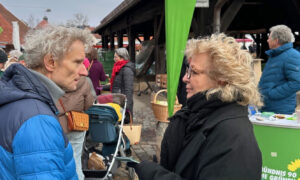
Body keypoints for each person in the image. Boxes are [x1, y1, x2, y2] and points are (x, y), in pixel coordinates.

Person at [128, 33, 263, 180]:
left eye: (194, 72)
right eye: (187, 70)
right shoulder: (198, 114)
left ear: (222, 80)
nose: (185, 78)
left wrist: (154, 175)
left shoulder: (234, 137)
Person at [0, 25, 94, 179]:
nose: (84, 71)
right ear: (51, 62)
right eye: (77, 62)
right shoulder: (37, 120)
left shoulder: (18, 99)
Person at [57, 76, 96, 180]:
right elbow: (89, 104)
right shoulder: (84, 81)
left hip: (57, 124)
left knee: (58, 159)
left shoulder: (53, 78)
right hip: (77, 123)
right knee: (76, 159)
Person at [259, 25, 300, 114]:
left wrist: (272, 94)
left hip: (281, 109)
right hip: (268, 106)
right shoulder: (275, 55)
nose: (267, 40)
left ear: (276, 40)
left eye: (269, 38)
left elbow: (297, 82)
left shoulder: (292, 56)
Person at [111, 47, 135, 122]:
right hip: (118, 99)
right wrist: (103, 88)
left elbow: (128, 89)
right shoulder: (119, 68)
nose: (114, 59)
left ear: (122, 58)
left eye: (115, 57)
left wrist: (127, 105)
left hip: (122, 101)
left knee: (123, 123)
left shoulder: (127, 70)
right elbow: (116, 84)